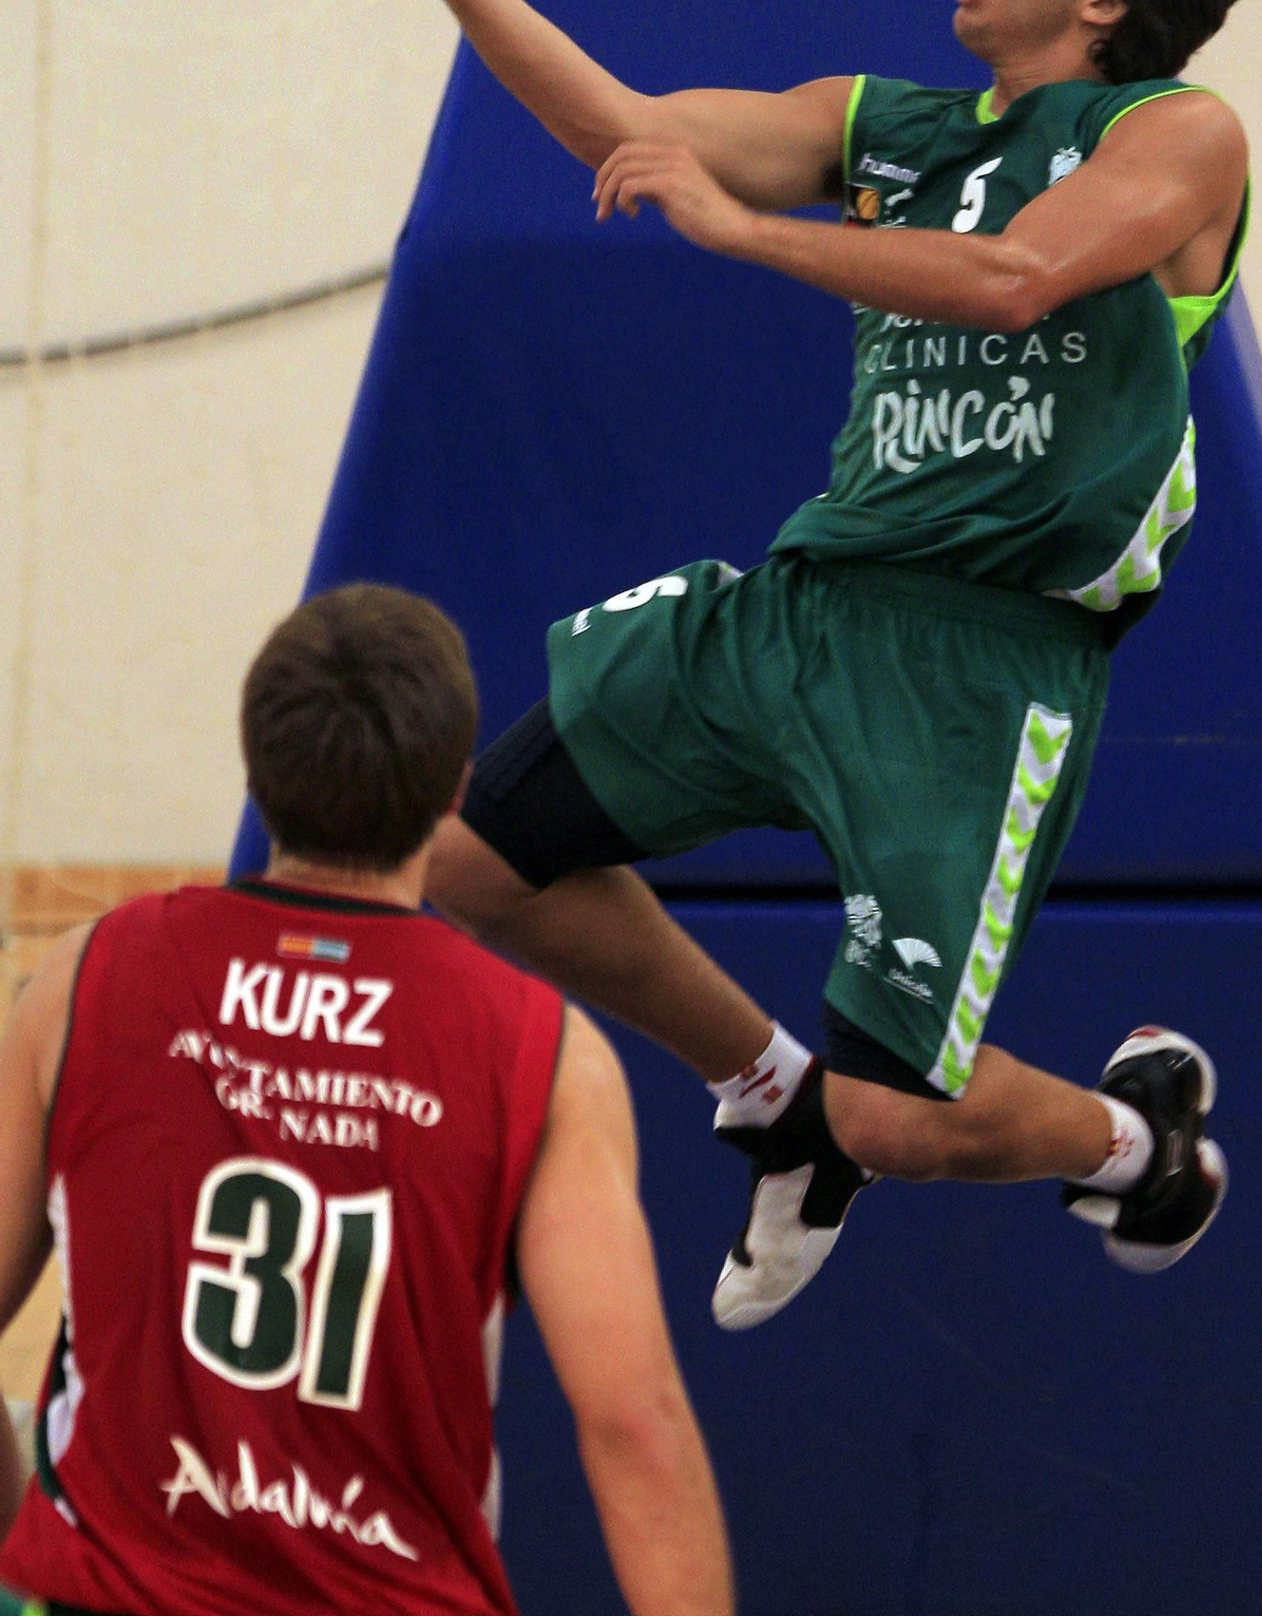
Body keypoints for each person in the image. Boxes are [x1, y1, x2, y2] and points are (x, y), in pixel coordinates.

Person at [270, 0, 1251, 1331]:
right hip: (805, 610)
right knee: (465, 858)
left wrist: (738, 232)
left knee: (900, 1123)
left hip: (979, 670)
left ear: (1106, 0)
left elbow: (1016, 279)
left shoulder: (1177, 133)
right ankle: (769, 1095)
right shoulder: (891, 127)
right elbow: (624, 126)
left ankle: (1138, 1145)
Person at [0, 586, 732, 1616]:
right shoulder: (543, 1053)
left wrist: (23, 1538)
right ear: (453, 792)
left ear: (255, 770)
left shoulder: (83, 979)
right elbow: (634, 1426)